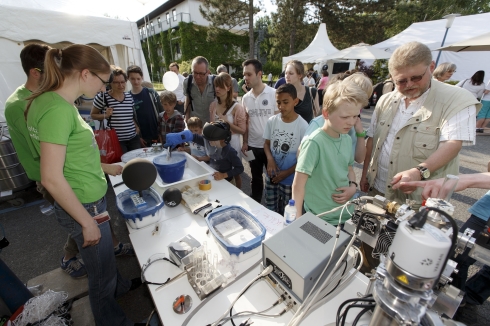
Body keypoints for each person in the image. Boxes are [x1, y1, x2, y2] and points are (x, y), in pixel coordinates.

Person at [25, 44, 137, 325]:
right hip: (83, 205)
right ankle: (113, 321)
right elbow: (51, 176)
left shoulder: (52, 102)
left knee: (106, 264)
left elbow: (69, 158)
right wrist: (87, 222)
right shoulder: (57, 110)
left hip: (88, 198)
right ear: (85, 73)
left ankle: (120, 288)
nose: (102, 89)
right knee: (100, 275)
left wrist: (106, 167)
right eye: (102, 82)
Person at [360, 41, 481, 209]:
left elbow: (452, 144)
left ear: (431, 67)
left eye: (416, 77)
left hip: (420, 201)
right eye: (401, 81)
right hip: (378, 191)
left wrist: (419, 171)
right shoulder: (386, 100)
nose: (409, 85)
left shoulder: (457, 99)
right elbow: (372, 140)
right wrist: (365, 174)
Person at [402, 171, 490, 325]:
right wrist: (467, 180)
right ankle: (450, 300)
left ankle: (470, 299)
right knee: (458, 256)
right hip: (485, 214)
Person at [292, 79, 368, 225]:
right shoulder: (314, 142)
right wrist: (297, 218)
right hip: (320, 217)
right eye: (345, 117)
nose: (351, 122)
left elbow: (349, 168)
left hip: (346, 214)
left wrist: (353, 187)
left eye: (355, 116)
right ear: (326, 113)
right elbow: (298, 184)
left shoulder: (346, 138)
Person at [304, 72, 373, 165]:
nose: (359, 104)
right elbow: (303, 155)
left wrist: (360, 134)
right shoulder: (319, 123)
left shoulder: (353, 124)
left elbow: (359, 158)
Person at [264, 84, 308, 215]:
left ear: (295, 101)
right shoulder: (272, 121)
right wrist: (270, 159)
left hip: (290, 181)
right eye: (278, 102)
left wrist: (287, 173)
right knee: (270, 210)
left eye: (285, 102)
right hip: (271, 177)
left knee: (288, 213)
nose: (281, 106)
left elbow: (304, 158)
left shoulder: (303, 126)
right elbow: (266, 144)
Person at [241, 59, 278, 203]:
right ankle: (256, 201)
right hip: (251, 146)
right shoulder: (245, 98)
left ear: (259, 74)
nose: (246, 78)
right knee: (255, 176)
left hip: (270, 147)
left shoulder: (273, 94)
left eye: (249, 74)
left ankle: (272, 205)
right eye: (245, 75)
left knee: (272, 176)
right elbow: (246, 122)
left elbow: (277, 122)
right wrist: (245, 142)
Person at [165, 122, 244, 184]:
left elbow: (240, 168)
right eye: (207, 140)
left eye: (211, 140)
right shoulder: (212, 143)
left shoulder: (230, 151)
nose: (208, 142)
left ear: (222, 139)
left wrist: (224, 175)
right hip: (213, 176)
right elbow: (194, 137)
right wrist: (180, 136)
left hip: (227, 181)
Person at [92, 66, 141, 154]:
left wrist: (137, 127)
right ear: (110, 83)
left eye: (123, 82)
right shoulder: (103, 97)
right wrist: (106, 115)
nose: (121, 85)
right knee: (122, 164)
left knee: (136, 163)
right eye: (116, 82)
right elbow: (93, 115)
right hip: (116, 141)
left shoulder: (129, 96)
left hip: (133, 138)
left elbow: (131, 116)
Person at [209, 72, 246, 188]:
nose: (217, 89)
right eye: (216, 86)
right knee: (220, 170)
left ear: (229, 87)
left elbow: (242, 130)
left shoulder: (237, 107)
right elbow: (212, 125)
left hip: (233, 143)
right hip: (218, 144)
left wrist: (227, 123)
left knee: (236, 173)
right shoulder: (213, 105)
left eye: (220, 86)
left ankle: (238, 194)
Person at [127, 65, 163, 147]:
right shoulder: (128, 97)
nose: (136, 81)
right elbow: (130, 119)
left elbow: (162, 112)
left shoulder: (151, 93)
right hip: (142, 137)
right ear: (128, 78)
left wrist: (161, 132)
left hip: (157, 133)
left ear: (142, 77)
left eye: (138, 79)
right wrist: (138, 137)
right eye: (133, 79)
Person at [184, 56, 216, 123]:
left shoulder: (216, 82)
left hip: (212, 124)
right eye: (195, 73)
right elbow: (188, 99)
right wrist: (187, 119)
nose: (198, 77)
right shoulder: (187, 82)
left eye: (201, 74)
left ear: (208, 72)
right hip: (195, 125)